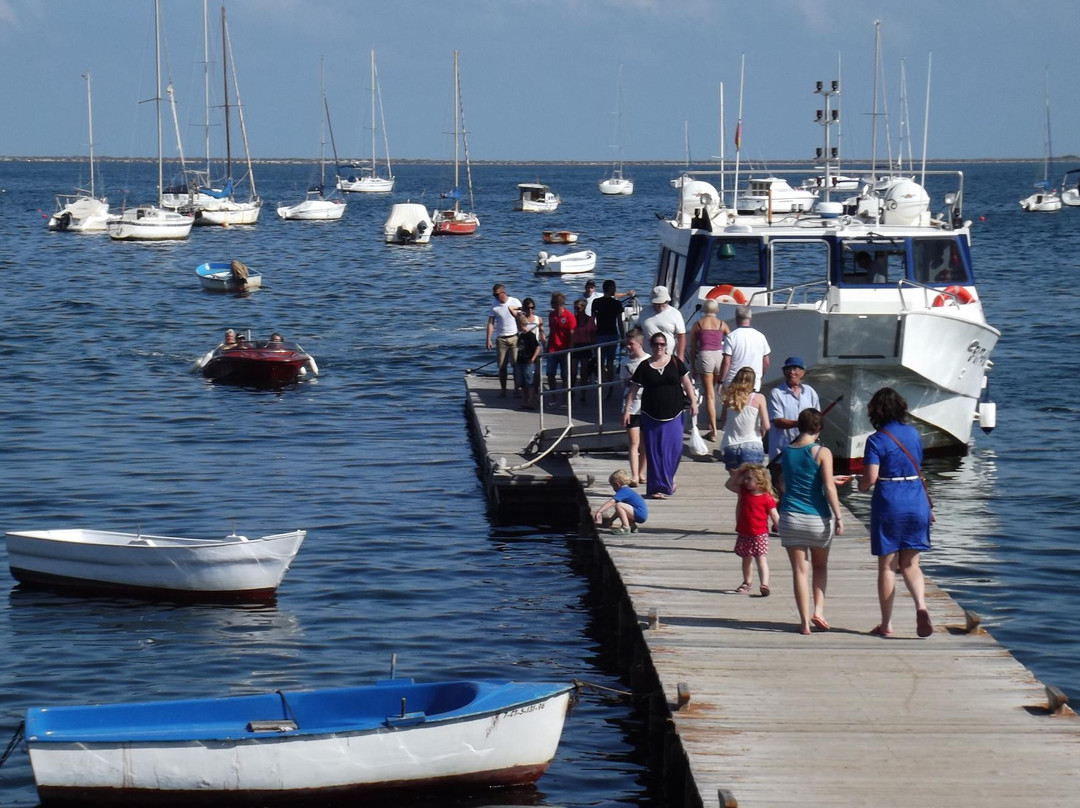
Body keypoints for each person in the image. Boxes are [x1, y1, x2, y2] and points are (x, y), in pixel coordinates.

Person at [858, 387, 934, 639]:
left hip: (890, 501)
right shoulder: (913, 433)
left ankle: (887, 624)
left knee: (888, 566)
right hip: (917, 499)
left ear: (875, 411)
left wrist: (860, 484)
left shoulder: (876, 440)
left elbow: (870, 477)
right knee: (911, 563)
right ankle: (921, 606)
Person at [779, 408, 849, 635]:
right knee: (820, 567)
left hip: (790, 517)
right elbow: (828, 486)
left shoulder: (787, 451)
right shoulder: (822, 452)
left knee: (799, 571)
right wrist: (838, 516)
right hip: (817, 519)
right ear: (818, 429)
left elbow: (783, 483)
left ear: (800, 426)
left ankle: (804, 624)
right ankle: (818, 610)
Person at [623, 332, 697, 499]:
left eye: (662, 344)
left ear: (666, 346)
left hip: (675, 412)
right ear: (651, 345)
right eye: (656, 344)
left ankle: (669, 479)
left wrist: (693, 402)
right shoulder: (644, 366)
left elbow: (686, 382)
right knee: (655, 452)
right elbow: (633, 390)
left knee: (675, 450)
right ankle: (657, 488)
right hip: (651, 414)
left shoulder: (676, 362)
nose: (659, 347)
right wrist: (627, 410)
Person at [724, 463, 779, 597]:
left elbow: (774, 515)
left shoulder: (767, 498)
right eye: (745, 478)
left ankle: (764, 584)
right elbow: (729, 485)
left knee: (761, 559)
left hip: (760, 534)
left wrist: (780, 527)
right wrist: (738, 473)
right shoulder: (743, 491)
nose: (746, 481)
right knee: (746, 558)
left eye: (749, 479)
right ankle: (747, 582)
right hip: (744, 532)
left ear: (760, 481)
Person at [688, 298, 731, 441]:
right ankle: (721, 422)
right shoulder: (722, 324)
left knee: (709, 395)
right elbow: (731, 341)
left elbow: (693, 347)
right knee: (719, 390)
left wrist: (693, 366)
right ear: (716, 310)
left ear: (704, 310)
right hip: (719, 355)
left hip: (705, 356)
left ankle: (713, 430)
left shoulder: (698, 325)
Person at [767, 356, 821, 464]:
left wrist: (813, 436)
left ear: (802, 372)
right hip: (782, 453)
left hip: (806, 452)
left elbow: (817, 420)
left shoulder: (810, 392)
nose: (792, 372)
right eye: (788, 369)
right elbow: (778, 421)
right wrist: (803, 423)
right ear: (784, 372)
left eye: (796, 369)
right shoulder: (776, 393)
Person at [719, 366, 770, 472]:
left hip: (731, 445)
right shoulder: (758, 398)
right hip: (752, 444)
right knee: (753, 484)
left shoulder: (728, 398)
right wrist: (762, 431)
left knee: (736, 483)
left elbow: (723, 420)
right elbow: (766, 425)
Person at [620, 327, 649, 487]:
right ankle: (634, 476)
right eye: (627, 344)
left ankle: (641, 472)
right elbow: (623, 382)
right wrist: (631, 380)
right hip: (631, 404)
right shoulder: (625, 362)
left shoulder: (648, 360)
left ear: (640, 343)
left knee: (645, 442)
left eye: (631, 344)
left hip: (646, 404)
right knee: (634, 441)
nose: (628, 347)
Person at [720, 305, 770, 390]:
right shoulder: (761, 336)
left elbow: (726, 363)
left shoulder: (731, 337)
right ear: (750, 318)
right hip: (754, 383)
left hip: (733, 382)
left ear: (736, 318)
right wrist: (759, 377)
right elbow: (766, 363)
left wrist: (720, 381)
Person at [486, 283, 521, 398]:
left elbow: (522, 318)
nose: (495, 297)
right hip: (501, 338)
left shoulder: (515, 302)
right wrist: (488, 339)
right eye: (494, 295)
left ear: (503, 293)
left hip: (514, 336)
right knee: (502, 366)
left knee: (516, 364)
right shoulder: (494, 306)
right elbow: (491, 323)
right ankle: (503, 390)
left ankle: (517, 389)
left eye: (497, 295)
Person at [591, 280, 627, 392]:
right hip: (612, 334)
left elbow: (593, 321)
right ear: (610, 288)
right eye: (614, 287)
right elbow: (620, 323)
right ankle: (610, 383)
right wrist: (623, 338)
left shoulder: (596, 302)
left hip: (600, 335)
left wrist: (592, 336)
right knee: (611, 361)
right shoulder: (616, 304)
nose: (615, 289)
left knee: (601, 361)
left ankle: (604, 382)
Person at [592, 469, 648, 535]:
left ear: (617, 484)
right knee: (620, 507)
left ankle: (625, 527)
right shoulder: (627, 490)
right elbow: (619, 512)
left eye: (613, 486)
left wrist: (600, 511)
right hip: (641, 514)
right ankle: (632, 526)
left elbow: (611, 502)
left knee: (619, 505)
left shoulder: (623, 491)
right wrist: (610, 521)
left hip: (639, 513)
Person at [545, 291, 576, 402]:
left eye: (552, 302)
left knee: (565, 376)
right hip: (553, 349)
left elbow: (572, 335)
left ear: (558, 303)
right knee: (550, 374)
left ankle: (565, 399)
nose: (550, 304)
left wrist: (571, 351)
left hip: (565, 350)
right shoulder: (551, 315)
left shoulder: (569, 317)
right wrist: (547, 347)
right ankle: (553, 397)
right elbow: (551, 332)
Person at [641, 286, 687, 361]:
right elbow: (638, 330)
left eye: (661, 303)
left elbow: (681, 336)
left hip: (668, 356)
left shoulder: (675, 313)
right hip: (647, 356)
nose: (659, 305)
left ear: (667, 301)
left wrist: (680, 356)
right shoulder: (645, 311)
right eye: (656, 303)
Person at [513, 312, 541, 410]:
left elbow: (537, 347)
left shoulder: (530, 335)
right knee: (522, 382)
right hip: (520, 361)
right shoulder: (520, 336)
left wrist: (533, 358)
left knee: (530, 381)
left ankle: (531, 400)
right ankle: (525, 401)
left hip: (528, 361)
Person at [571, 297, 597, 403]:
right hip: (575, 346)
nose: (577, 309)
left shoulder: (590, 320)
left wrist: (594, 349)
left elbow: (593, 335)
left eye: (579, 307)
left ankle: (583, 394)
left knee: (584, 372)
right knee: (573, 372)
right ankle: (571, 390)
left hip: (586, 346)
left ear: (584, 307)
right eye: (575, 308)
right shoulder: (573, 319)